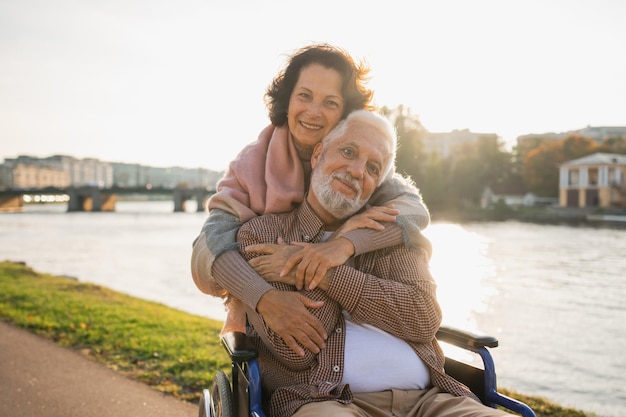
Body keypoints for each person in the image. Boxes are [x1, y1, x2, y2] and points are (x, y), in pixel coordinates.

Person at [234, 110, 515, 417]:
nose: (357, 171)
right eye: (349, 152)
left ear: (377, 184)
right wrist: (332, 245)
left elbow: (423, 318)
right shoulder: (263, 234)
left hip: (432, 400)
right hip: (323, 400)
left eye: (372, 167)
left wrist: (326, 267)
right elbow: (298, 349)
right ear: (318, 154)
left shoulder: (389, 232)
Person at [191, 43, 431, 352]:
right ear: (288, 100)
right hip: (276, 311)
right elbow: (208, 250)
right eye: (304, 96)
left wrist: (342, 244)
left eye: (330, 102)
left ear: (345, 112)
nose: (313, 112)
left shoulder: (356, 166)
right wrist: (264, 298)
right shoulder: (250, 166)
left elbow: (413, 212)